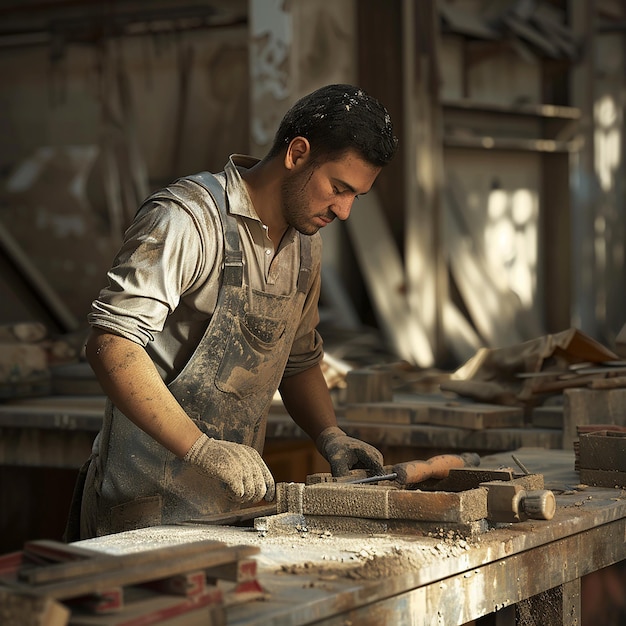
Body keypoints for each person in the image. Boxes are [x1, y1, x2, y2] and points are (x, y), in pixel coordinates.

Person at [72, 83, 398, 540]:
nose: (343, 211)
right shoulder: (189, 219)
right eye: (338, 189)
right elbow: (110, 345)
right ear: (297, 153)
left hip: (230, 513)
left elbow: (299, 360)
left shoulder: (305, 248)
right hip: (139, 512)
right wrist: (200, 449)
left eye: (355, 198)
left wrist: (330, 435)